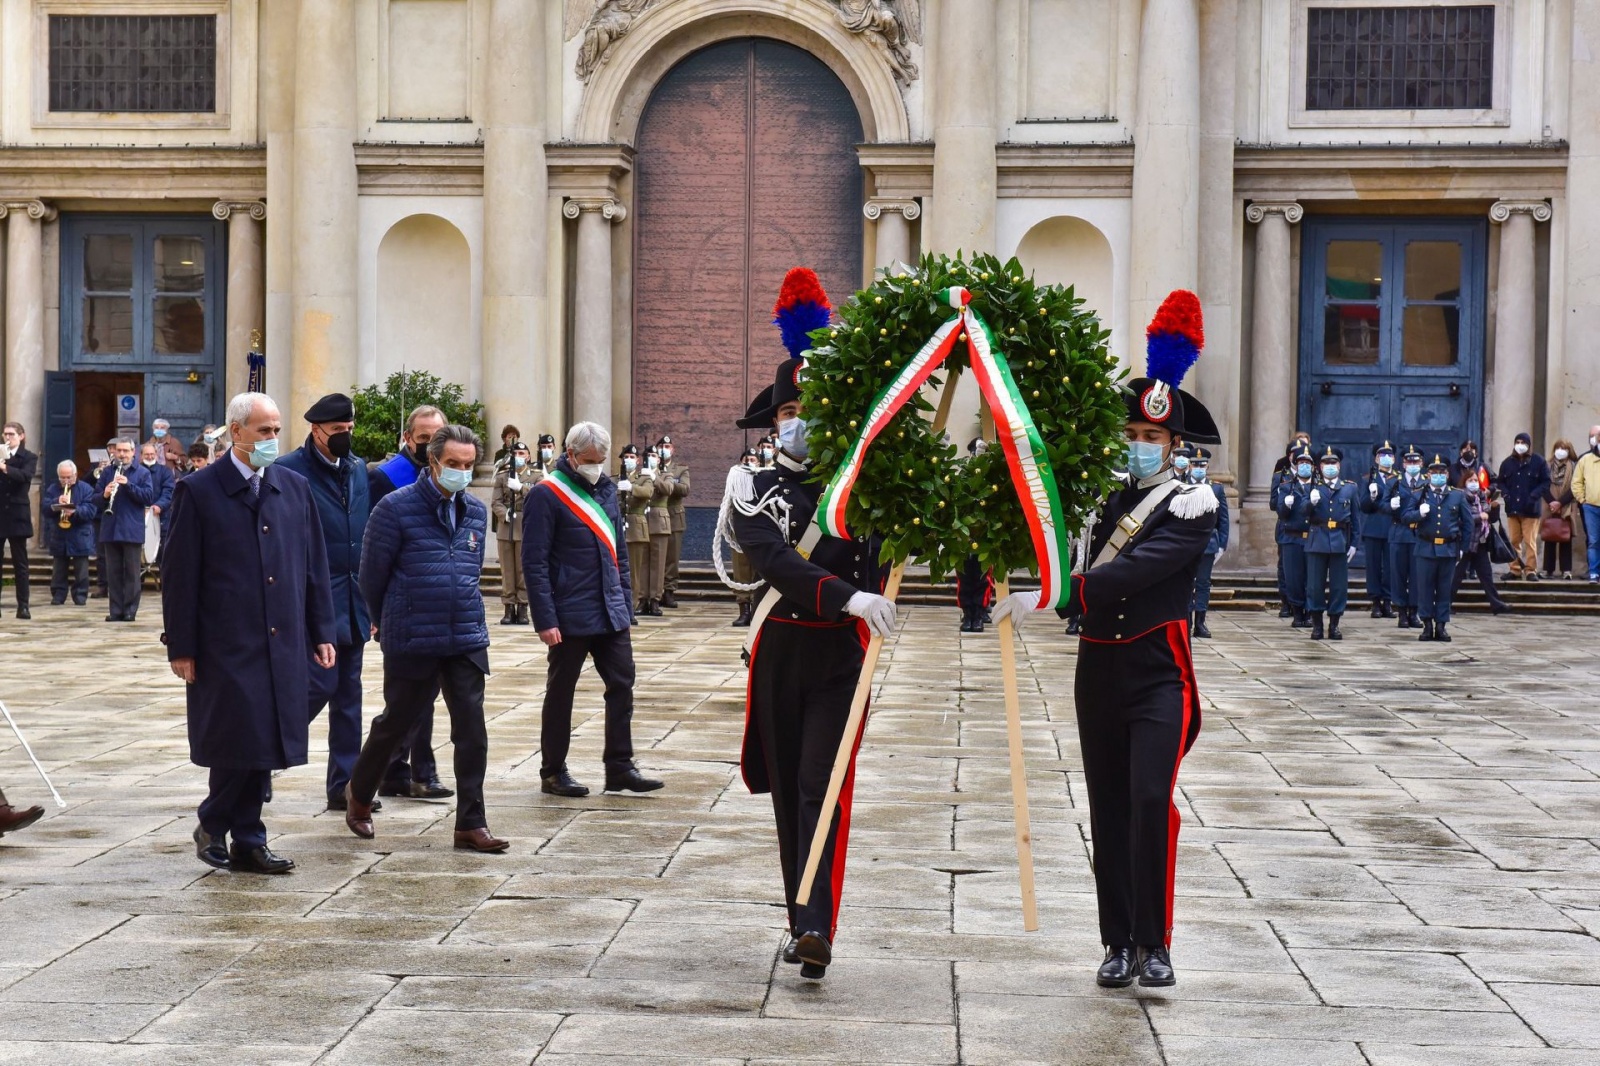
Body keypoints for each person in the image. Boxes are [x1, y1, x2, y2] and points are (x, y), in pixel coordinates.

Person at [995, 290, 1221, 991]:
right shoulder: (1099, 502)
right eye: (1131, 434)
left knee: (1150, 799)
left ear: (1175, 446)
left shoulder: (1191, 507)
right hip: (1099, 675)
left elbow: (1135, 575)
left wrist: (1058, 595)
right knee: (1109, 807)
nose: (1140, 446)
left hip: (1159, 676)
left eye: (1152, 438)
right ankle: (1116, 943)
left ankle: (1157, 943)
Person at [730, 351, 894, 982]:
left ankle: (818, 924)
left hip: (840, 657)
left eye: (811, 411)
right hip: (781, 651)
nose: (800, 422)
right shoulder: (753, 487)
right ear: (776, 423)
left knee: (818, 788)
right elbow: (775, 561)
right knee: (787, 795)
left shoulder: (865, 487)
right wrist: (849, 595)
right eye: (791, 412)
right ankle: (799, 920)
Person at [162, 391, 336, 874]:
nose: (273, 439)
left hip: (284, 640)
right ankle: (240, 833)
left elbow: (313, 567)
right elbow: (179, 577)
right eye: (264, 431)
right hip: (226, 642)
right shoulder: (198, 491)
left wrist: (322, 629)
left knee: (267, 735)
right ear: (236, 432)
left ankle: (232, 831)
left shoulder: (294, 488)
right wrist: (182, 646)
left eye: (277, 430)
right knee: (243, 736)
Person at [344, 424, 509, 853]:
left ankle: (471, 823)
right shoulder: (395, 508)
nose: (460, 472)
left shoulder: (474, 511)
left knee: (472, 730)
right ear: (433, 460)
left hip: (465, 635)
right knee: (396, 724)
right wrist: (385, 621)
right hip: (413, 634)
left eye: (468, 465)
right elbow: (370, 576)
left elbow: (469, 571)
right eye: (453, 464)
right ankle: (359, 795)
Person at [524, 421, 663, 799]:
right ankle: (553, 771)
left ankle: (619, 767)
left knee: (622, 684)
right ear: (570, 455)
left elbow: (618, 554)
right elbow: (534, 562)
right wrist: (545, 618)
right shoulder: (546, 494)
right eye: (589, 460)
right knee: (562, 692)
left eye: (601, 459)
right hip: (569, 612)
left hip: (609, 610)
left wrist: (625, 606)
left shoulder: (605, 490)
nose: (596, 465)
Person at [275, 392, 374, 813]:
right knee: (314, 689)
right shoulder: (287, 471)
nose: (345, 438)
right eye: (337, 431)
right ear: (316, 430)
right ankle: (262, 760)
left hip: (353, 601)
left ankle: (345, 784)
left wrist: (370, 606)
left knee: (350, 698)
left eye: (349, 430)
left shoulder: (356, 470)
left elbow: (363, 535)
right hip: (311, 601)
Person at [368, 404, 451, 799]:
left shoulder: (450, 476)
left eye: (437, 439)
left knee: (428, 694)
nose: (429, 447)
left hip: (438, 602)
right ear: (407, 438)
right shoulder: (384, 479)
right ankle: (396, 770)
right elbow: (372, 550)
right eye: (423, 439)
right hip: (400, 602)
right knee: (403, 696)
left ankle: (417, 771)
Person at [1403, 454, 1474, 642]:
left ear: (1447, 474)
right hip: (1425, 548)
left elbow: (1468, 524)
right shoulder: (1419, 494)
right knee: (1425, 588)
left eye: (1442, 472)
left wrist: (1463, 548)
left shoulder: (1457, 495)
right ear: (1428, 474)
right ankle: (1427, 625)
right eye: (1434, 472)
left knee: (1444, 589)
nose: (1438, 476)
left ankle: (1441, 625)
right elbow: (1405, 516)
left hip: (1448, 548)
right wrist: (1419, 513)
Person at [1293, 446, 1358, 640]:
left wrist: (1354, 544)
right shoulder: (1313, 486)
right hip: (1317, 539)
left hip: (1339, 540)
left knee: (1339, 586)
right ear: (1320, 466)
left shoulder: (1349, 488)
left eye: (1333, 463)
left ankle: (1335, 624)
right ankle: (1317, 624)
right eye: (1326, 463)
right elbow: (1302, 512)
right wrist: (1310, 503)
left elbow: (1355, 519)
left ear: (1339, 465)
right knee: (1314, 585)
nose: (1330, 466)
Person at [94, 438, 154, 622]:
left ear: (133, 452)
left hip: (131, 529)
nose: (121, 454)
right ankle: (115, 610)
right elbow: (94, 499)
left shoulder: (142, 473)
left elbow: (147, 496)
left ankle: (130, 610)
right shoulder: (106, 473)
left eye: (125, 451)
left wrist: (128, 484)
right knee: (113, 573)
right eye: (118, 451)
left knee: (132, 573)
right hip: (111, 528)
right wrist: (104, 494)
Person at [491, 440, 537, 625]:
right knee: (508, 569)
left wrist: (521, 488)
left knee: (522, 570)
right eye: (515, 454)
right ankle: (509, 607)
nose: (519, 457)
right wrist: (505, 514)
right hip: (507, 527)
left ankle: (523, 607)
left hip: (525, 526)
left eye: (522, 453)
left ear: (529, 456)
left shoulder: (536, 476)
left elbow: (539, 495)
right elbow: (496, 502)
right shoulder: (503, 476)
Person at [1453, 475, 1512, 615]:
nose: (1473, 483)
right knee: (1456, 575)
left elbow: (1492, 519)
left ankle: (1496, 604)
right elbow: (1460, 519)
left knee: (1486, 575)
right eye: (1470, 480)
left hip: (1481, 542)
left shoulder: (1482, 497)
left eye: (1475, 480)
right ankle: (1445, 604)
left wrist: (1495, 509)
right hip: (1466, 542)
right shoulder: (1460, 497)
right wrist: (1479, 517)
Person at [1498, 432, 1550, 581]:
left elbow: (1546, 482)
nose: (1520, 445)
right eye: (1517, 442)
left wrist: (1534, 496)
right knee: (1514, 541)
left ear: (1529, 445)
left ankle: (1530, 570)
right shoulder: (1507, 463)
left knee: (1530, 541)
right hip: (1513, 508)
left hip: (1530, 509)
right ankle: (1515, 569)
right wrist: (1506, 494)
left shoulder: (1538, 461)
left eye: (1523, 442)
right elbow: (1500, 481)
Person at [1187, 446, 1227, 638]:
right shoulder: (1181, 484)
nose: (1199, 468)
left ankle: (1200, 622)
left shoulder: (1216, 487)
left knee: (1203, 583)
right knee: (1187, 582)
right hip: (1185, 544)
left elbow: (1223, 519)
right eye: (1195, 464)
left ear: (1207, 466)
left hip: (1208, 544)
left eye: (1202, 465)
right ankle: (1185, 620)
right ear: (1189, 465)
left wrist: (1222, 544)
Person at [1273, 446, 1316, 628]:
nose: (1304, 466)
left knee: (1312, 578)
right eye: (1301, 463)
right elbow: (1280, 513)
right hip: (1292, 537)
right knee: (1293, 578)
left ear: (1313, 467)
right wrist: (1286, 505)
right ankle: (1297, 612)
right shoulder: (1286, 486)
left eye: (1307, 463)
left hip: (1313, 538)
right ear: (1295, 465)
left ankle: (1310, 612)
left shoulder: (1318, 487)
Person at [43, 461, 96, 606]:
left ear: (75, 475)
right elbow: (45, 508)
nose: (65, 481)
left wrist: (74, 512)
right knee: (58, 569)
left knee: (81, 570)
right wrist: (56, 501)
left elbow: (91, 511)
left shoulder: (86, 489)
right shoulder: (53, 489)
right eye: (62, 478)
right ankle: (58, 595)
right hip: (59, 534)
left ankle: (80, 596)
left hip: (80, 533)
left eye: (68, 477)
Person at [0, 422, 39, 619]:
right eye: (5, 434)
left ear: (21, 436)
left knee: (20, 564)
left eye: (12, 434)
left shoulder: (29, 457)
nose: (8, 438)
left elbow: (25, 476)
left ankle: (23, 605)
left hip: (17, 514)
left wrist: (4, 468)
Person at [1387, 445, 1427, 629]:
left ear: (1421, 463)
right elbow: (1381, 505)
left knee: (1417, 575)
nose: (1412, 464)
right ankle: (1401, 611)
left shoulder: (1427, 483)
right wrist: (1390, 506)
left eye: (1416, 461)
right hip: (1399, 532)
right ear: (1403, 463)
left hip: (1419, 534)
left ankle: (1414, 611)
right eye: (1409, 461)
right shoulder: (1395, 482)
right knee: (1398, 575)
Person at [1359, 441, 1399, 618]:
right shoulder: (1368, 479)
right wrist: (1373, 497)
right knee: (1374, 566)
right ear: (1376, 458)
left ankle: (1388, 601)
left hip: (1393, 527)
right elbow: (1363, 506)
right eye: (1383, 455)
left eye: (1390, 455)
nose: (1386, 459)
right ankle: (1375, 601)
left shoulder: (1399, 479)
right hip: (1374, 528)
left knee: (1391, 567)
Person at [619, 444, 660, 617]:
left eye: (631, 457)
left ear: (637, 460)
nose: (628, 460)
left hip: (635, 528)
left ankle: (632, 606)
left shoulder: (644, 478)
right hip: (618, 528)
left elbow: (647, 492)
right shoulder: (616, 478)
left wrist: (631, 488)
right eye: (625, 457)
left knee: (634, 572)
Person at [729, 447, 763, 627]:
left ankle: (757, 609)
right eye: (746, 460)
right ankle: (744, 610)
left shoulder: (764, 478)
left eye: (753, 459)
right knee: (741, 571)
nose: (749, 463)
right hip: (740, 528)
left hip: (760, 529)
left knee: (759, 570)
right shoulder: (734, 478)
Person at [656, 435, 690, 608]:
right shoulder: (651, 468)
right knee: (656, 557)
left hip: (674, 516)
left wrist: (668, 481)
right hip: (655, 518)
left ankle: (669, 591)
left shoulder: (680, 469)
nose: (665, 449)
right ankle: (655, 591)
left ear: (673, 449)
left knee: (671, 557)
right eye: (662, 446)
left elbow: (685, 489)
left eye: (668, 446)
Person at [643, 445, 673, 613]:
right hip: (642, 522)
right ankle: (642, 598)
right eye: (649, 455)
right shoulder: (639, 476)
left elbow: (668, 489)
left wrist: (654, 477)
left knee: (658, 564)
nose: (652, 458)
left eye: (654, 455)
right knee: (643, 564)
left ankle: (655, 599)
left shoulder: (665, 474)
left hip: (659, 522)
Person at [1543, 438, 1578, 579]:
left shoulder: (1574, 466)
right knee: (1549, 534)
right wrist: (1552, 502)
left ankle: (1566, 570)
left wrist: (1560, 503)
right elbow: (1543, 485)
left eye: (1564, 448)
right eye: (1558, 448)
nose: (1560, 451)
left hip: (1567, 504)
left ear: (1569, 451)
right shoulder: (1547, 466)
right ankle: (1548, 569)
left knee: (1565, 536)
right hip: (1549, 504)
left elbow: (1575, 486)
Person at [1574, 427, 1600, 583]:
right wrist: (1582, 500)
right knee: (1593, 541)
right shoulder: (1585, 460)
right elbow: (1576, 482)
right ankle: (1594, 573)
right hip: (1590, 507)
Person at [140, 442, 177, 551]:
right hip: (139, 515)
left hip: (161, 516)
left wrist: (159, 505)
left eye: (152, 454)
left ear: (156, 454)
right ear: (141, 455)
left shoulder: (165, 471)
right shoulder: (136, 471)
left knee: (163, 551)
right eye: (146, 454)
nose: (150, 457)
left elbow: (169, 491)